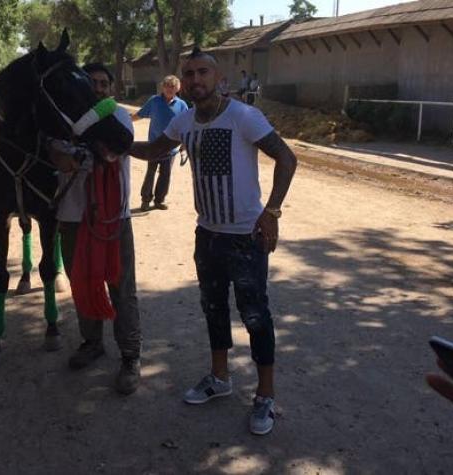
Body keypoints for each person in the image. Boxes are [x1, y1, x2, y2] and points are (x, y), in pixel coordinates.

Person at [129, 48, 297, 435]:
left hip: (245, 237)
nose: (195, 80)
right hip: (207, 234)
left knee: (255, 316)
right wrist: (120, 147)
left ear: (219, 79)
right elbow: (156, 151)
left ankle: (265, 397)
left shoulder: (243, 116)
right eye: (188, 74)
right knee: (213, 307)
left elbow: (286, 159)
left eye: (202, 72)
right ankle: (220, 378)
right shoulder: (185, 121)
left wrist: (271, 212)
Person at [49, 63, 142, 395]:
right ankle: (92, 342)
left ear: (112, 88)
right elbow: (60, 159)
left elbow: (109, 150)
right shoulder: (60, 120)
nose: (99, 88)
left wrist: (76, 143)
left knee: (122, 287)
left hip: (114, 218)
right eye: (92, 83)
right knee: (82, 284)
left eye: (104, 83)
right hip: (72, 217)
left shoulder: (118, 117)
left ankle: (131, 356)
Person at [132, 75, 188, 211]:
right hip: (154, 146)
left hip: (171, 148)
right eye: (167, 85)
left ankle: (159, 200)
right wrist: (124, 121)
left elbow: (187, 125)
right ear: (162, 87)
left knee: (165, 175)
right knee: (150, 172)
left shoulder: (182, 105)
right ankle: (145, 200)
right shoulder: (154, 101)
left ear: (177, 89)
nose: (169, 89)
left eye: (173, 86)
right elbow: (139, 115)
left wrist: (184, 145)